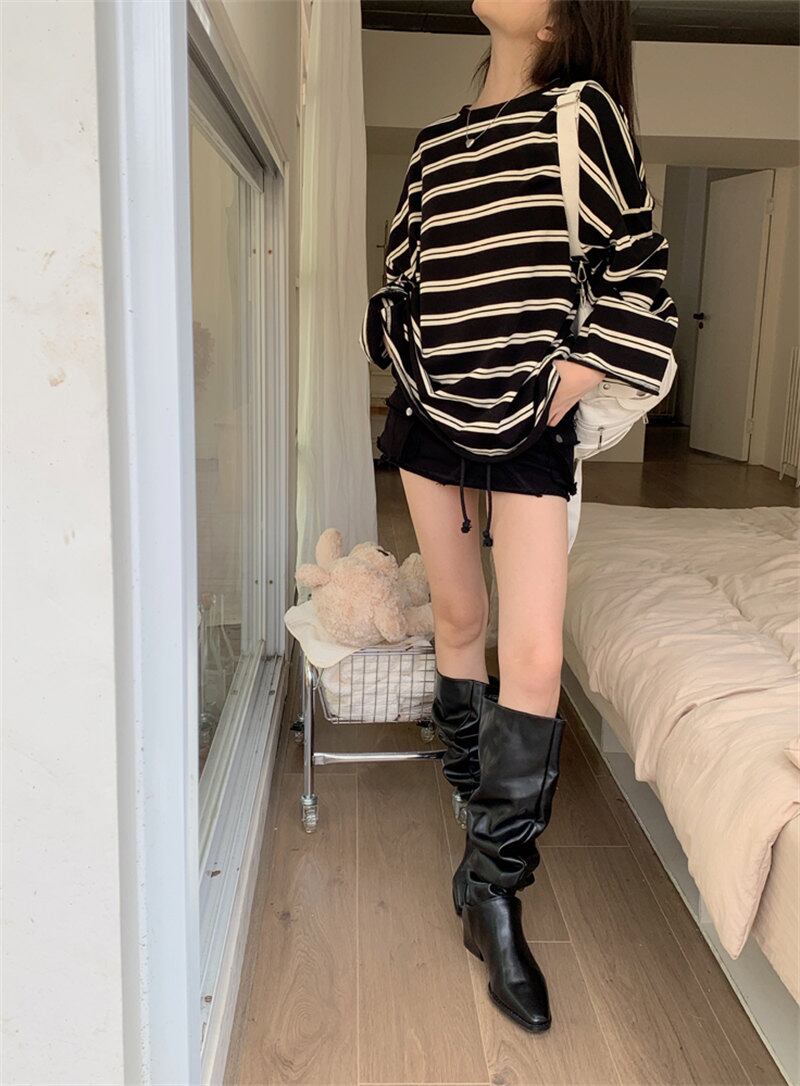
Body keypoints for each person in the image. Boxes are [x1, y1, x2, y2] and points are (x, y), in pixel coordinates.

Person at [360, 0, 678, 1034]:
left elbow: (635, 267)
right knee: (458, 622)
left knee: (533, 654)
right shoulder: (434, 146)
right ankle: (473, 832)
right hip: (430, 415)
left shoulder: (583, 117)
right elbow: (400, 276)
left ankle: (495, 893)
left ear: (557, 19)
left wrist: (578, 371)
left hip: (529, 420)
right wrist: (404, 349)